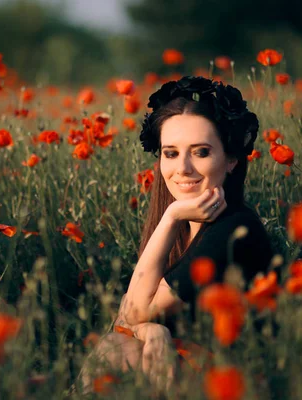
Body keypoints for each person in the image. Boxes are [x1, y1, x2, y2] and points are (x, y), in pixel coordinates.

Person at [75, 76, 275, 395]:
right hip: (194, 371)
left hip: (237, 383)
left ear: (232, 160)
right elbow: (128, 319)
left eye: (201, 152)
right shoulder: (189, 225)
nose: (182, 168)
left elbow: (131, 315)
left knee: (116, 350)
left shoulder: (232, 229)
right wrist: (152, 331)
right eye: (170, 153)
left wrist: (171, 215)